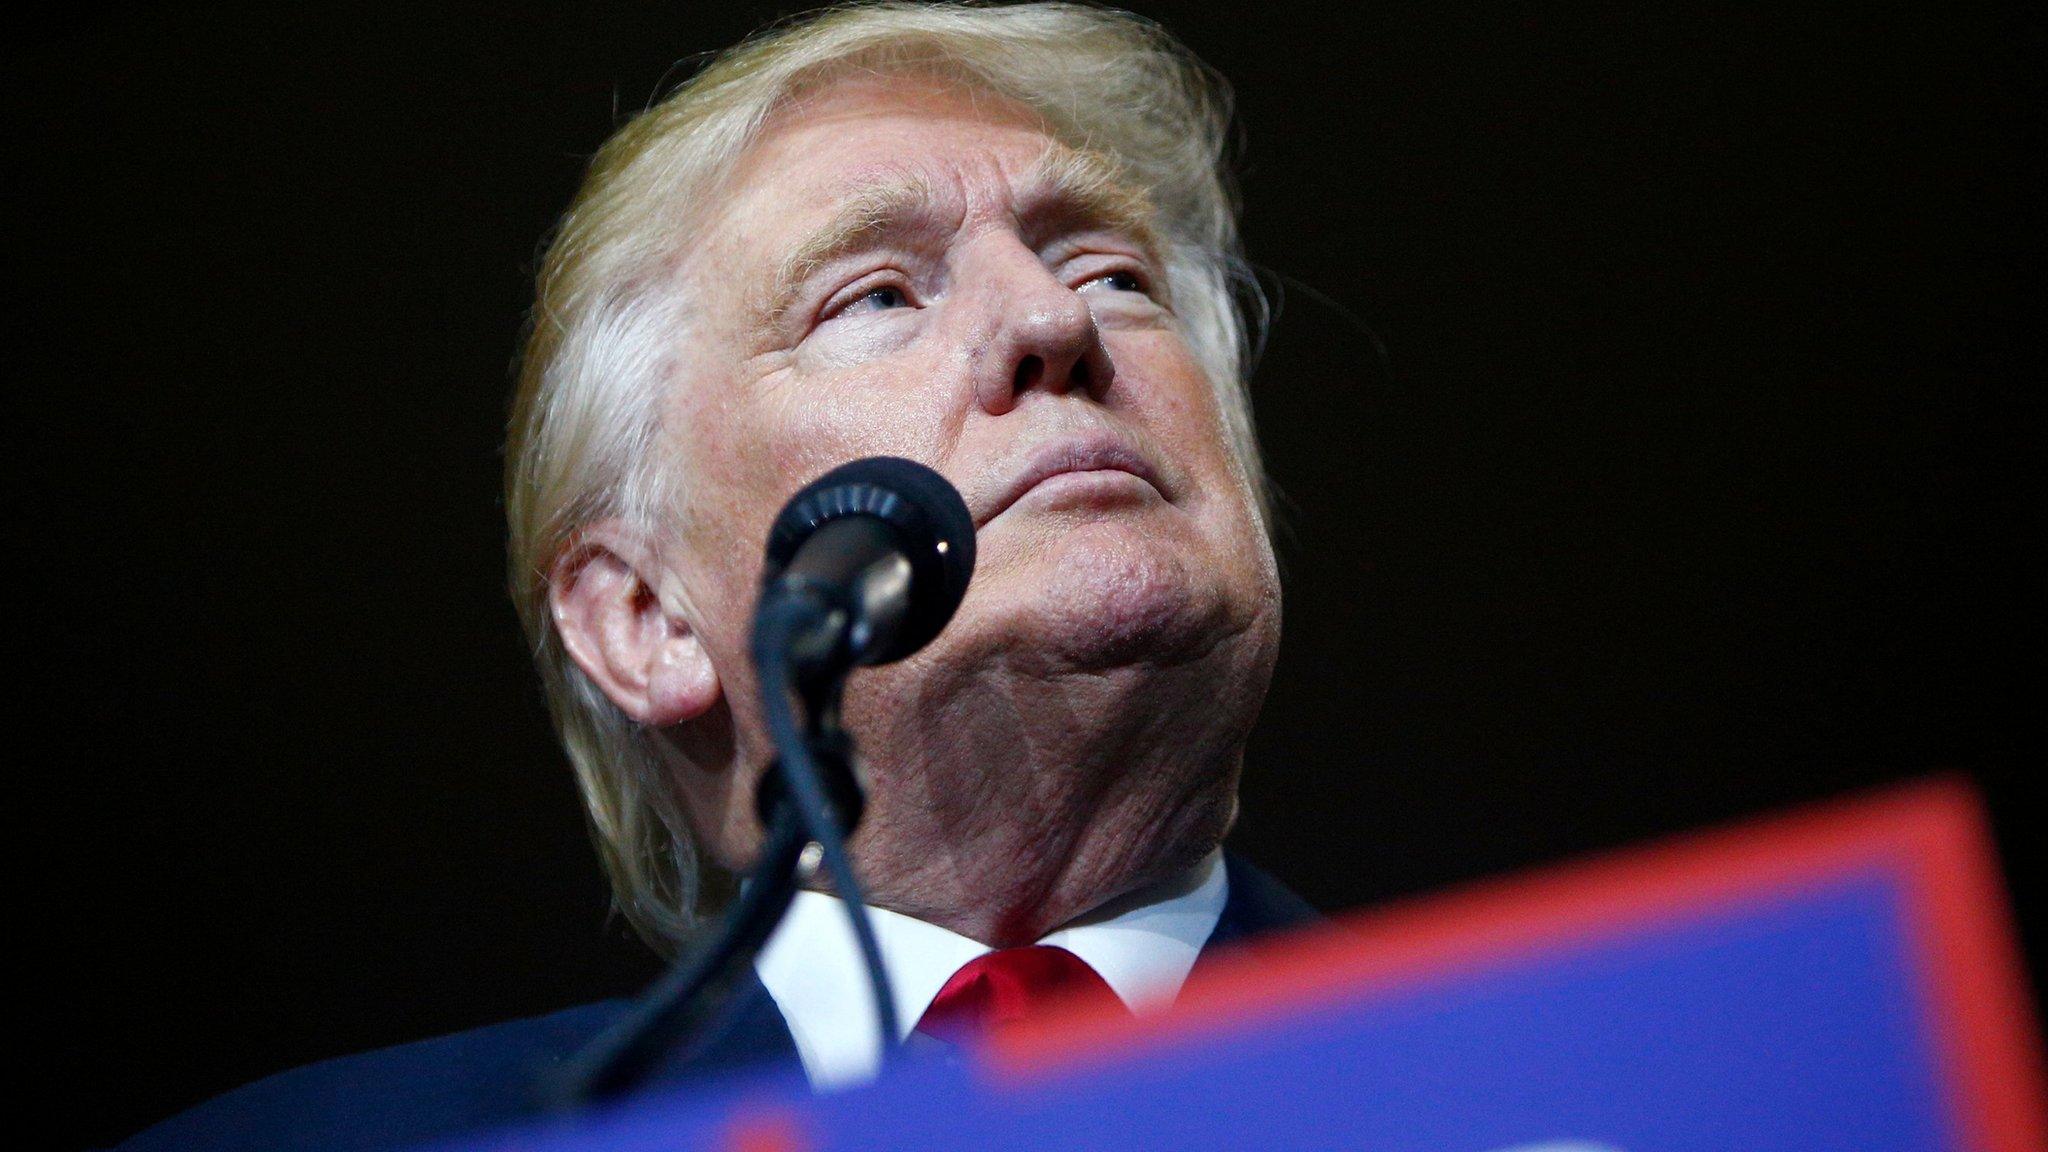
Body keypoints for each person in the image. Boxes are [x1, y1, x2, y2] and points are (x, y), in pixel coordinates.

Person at [120, 4, 1314, 1148]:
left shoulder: (1498, 1069)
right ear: (646, 622)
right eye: (878, 295)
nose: (1055, 320)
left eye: (1114, 274)